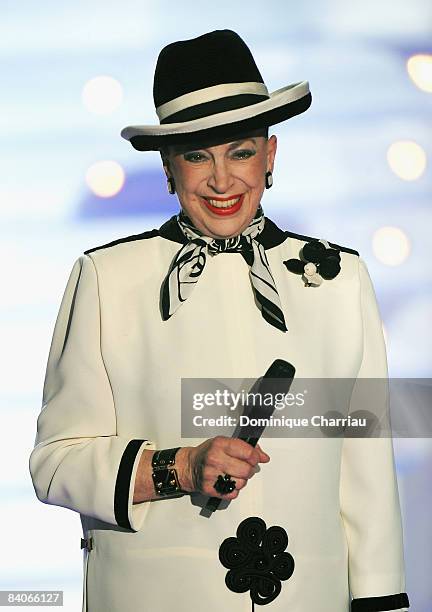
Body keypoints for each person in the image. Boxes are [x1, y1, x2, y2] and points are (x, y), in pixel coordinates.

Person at [29, 29, 410, 612]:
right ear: (168, 168)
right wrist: (178, 467)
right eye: (197, 155)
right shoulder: (108, 279)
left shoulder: (338, 279)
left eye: (240, 151)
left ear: (271, 155)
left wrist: (381, 602)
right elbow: (55, 464)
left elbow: (368, 477)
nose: (222, 180)